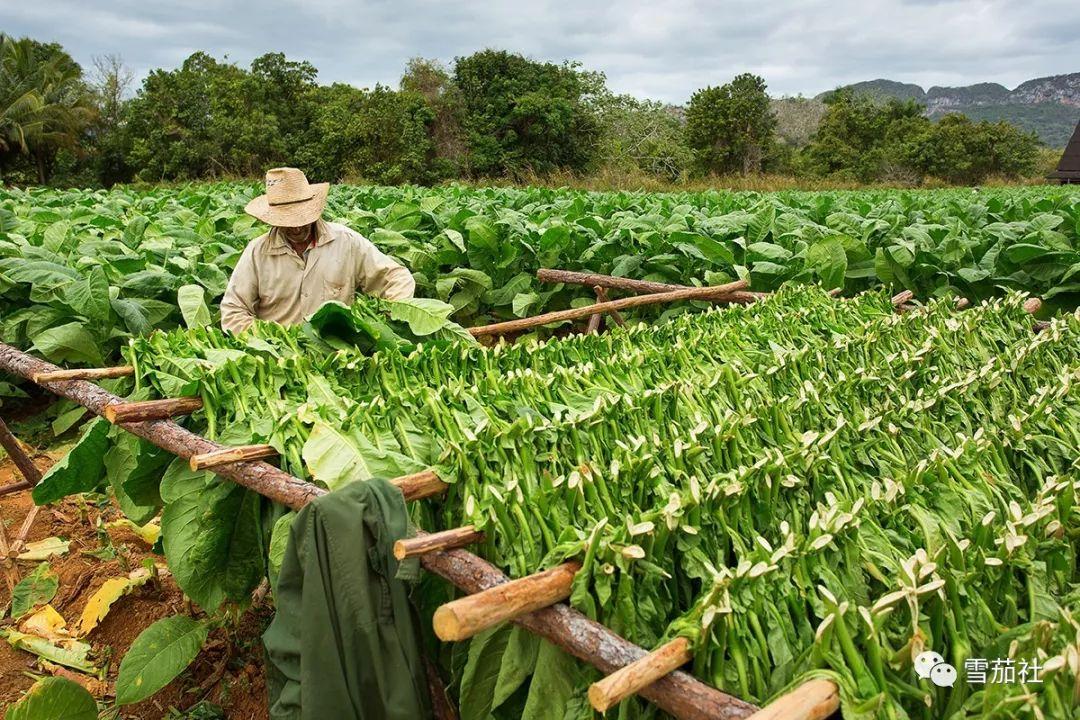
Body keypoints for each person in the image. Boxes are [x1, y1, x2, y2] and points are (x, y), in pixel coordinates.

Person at [220, 167, 415, 334]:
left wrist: (388, 319)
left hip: (337, 352)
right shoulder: (257, 252)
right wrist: (273, 340)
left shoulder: (346, 242)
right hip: (278, 359)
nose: (296, 228)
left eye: (301, 219)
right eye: (287, 222)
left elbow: (396, 278)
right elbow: (233, 311)